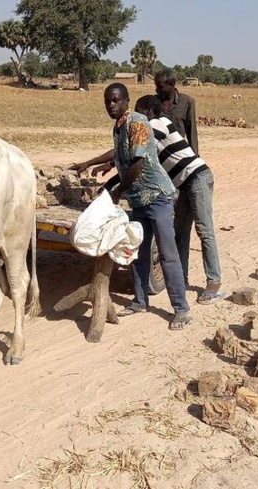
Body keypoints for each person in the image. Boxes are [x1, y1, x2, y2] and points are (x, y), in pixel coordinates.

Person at [92, 95, 225, 304]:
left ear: (147, 112)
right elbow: (134, 159)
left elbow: (132, 152)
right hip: (181, 183)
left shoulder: (157, 124)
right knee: (180, 233)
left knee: (204, 230)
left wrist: (104, 172)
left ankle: (213, 283)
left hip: (197, 177)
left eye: (137, 111)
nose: (134, 117)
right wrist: (110, 176)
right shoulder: (147, 127)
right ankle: (181, 279)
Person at [97, 82, 191, 330]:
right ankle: (140, 301)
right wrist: (108, 184)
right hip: (139, 199)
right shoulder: (118, 129)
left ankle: (181, 309)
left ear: (127, 101)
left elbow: (137, 164)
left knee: (168, 254)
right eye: (107, 101)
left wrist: (118, 191)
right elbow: (122, 163)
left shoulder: (137, 122)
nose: (111, 105)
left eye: (116, 100)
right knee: (137, 252)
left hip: (157, 197)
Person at [154, 68, 199, 155]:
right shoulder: (153, 102)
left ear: (172, 85)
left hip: (178, 153)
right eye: (156, 87)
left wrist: (195, 156)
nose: (157, 90)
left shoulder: (187, 102)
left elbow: (191, 131)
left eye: (161, 87)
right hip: (158, 154)